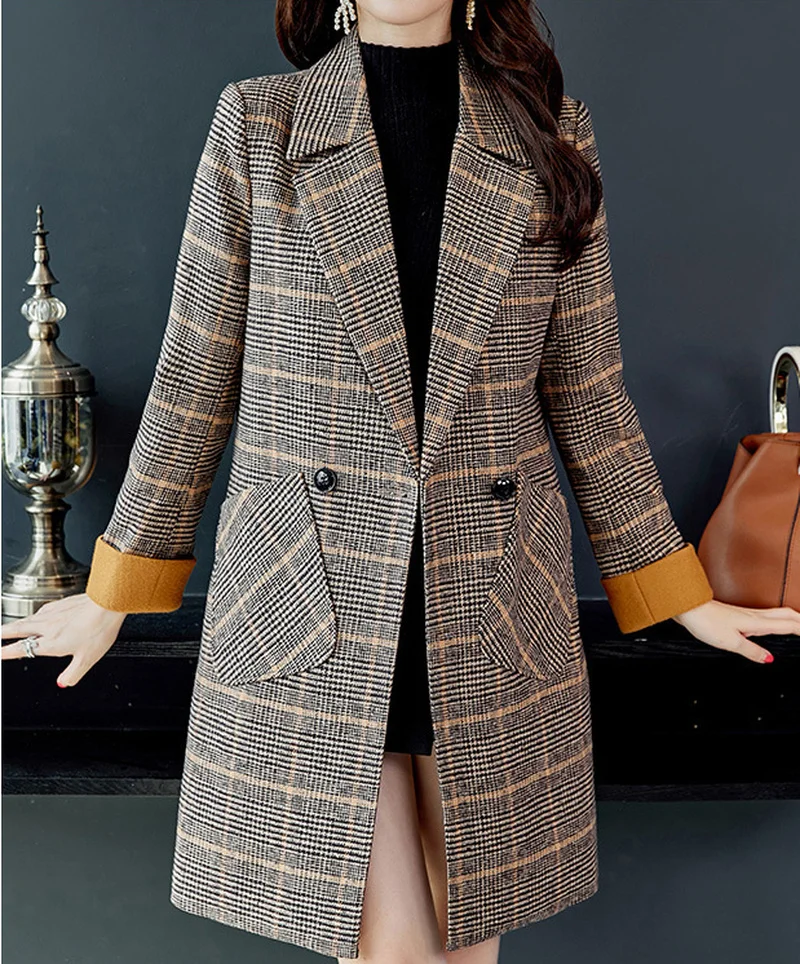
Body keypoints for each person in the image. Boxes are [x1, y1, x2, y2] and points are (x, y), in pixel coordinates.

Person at [4, 2, 799, 962]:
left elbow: (587, 394)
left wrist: (680, 591)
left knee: (466, 947)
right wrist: (114, 590)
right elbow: (196, 374)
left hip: (489, 605)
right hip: (314, 604)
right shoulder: (261, 123)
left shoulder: (548, 132)